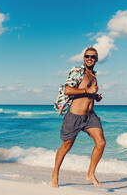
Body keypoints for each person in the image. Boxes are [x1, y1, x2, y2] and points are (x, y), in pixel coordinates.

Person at [51, 47, 105, 188]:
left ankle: (90, 174)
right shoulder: (77, 71)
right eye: (87, 56)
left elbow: (87, 93)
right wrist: (88, 90)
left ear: (96, 59)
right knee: (66, 146)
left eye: (92, 56)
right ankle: (55, 173)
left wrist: (95, 96)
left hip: (89, 117)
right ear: (83, 58)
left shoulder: (94, 75)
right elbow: (68, 90)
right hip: (74, 116)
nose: (89, 58)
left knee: (101, 143)